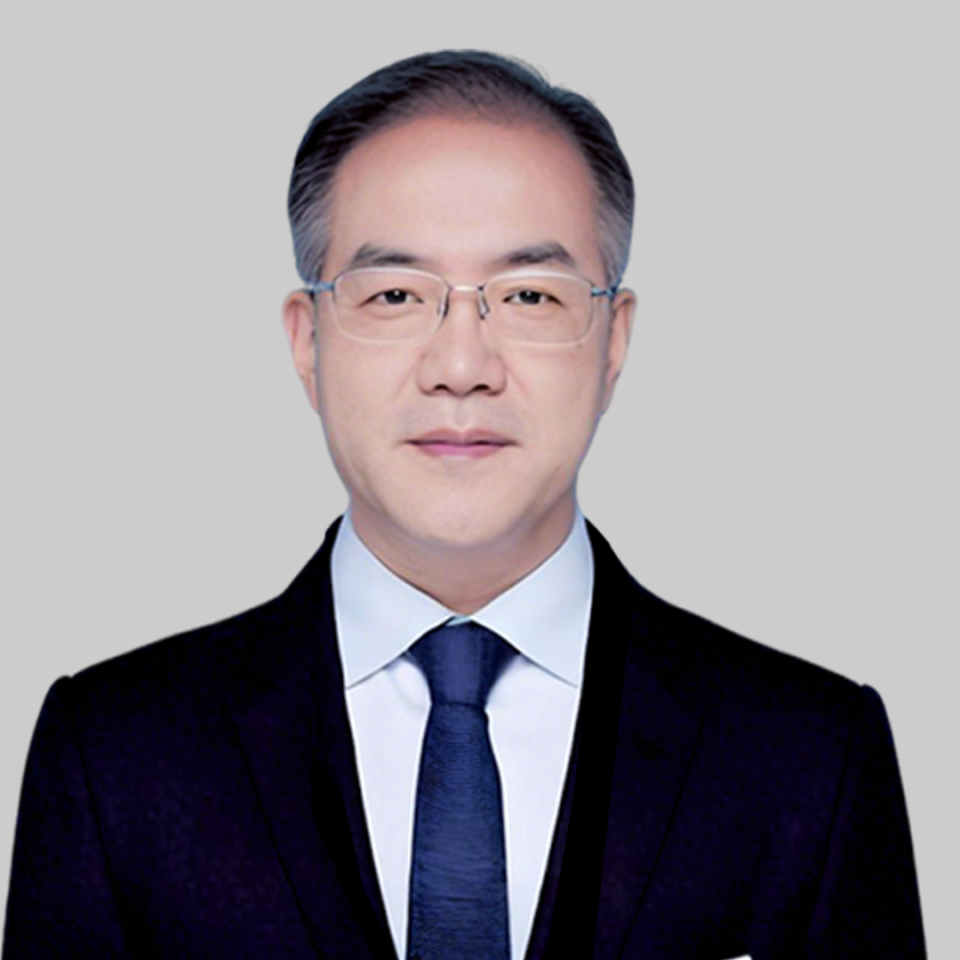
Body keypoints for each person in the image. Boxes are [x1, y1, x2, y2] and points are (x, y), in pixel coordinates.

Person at [2, 50, 924, 959]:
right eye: (395, 294)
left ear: (613, 341)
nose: (460, 367)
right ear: (308, 342)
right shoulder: (113, 757)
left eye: (529, 296)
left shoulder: (812, 758)